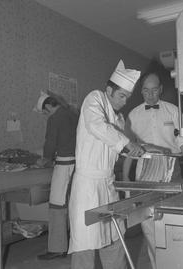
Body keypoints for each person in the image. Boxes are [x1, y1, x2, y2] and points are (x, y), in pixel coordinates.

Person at [68, 60, 145, 269]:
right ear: (109, 90)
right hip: (88, 186)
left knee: (113, 237)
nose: (125, 101)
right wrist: (128, 144)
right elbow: (97, 126)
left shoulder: (119, 119)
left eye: (128, 97)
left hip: (107, 184)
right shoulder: (94, 99)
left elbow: (119, 146)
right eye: (122, 96)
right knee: (85, 243)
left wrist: (140, 150)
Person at [123, 71, 183, 269]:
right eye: (146, 90)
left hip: (171, 168)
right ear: (140, 90)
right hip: (144, 170)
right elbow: (128, 147)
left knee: (170, 221)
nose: (150, 95)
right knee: (148, 223)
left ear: (160, 89)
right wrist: (126, 179)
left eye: (154, 90)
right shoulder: (133, 115)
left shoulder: (174, 111)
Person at [34, 92, 79, 260]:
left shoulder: (55, 118)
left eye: (45, 113)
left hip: (65, 165)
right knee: (73, 205)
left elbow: (50, 142)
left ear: (48, 106)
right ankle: (75, 243)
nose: (46, 116)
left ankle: (57, 248)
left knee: (57, 206)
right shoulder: (73, 114)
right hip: (77, 164)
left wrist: (44, 159)